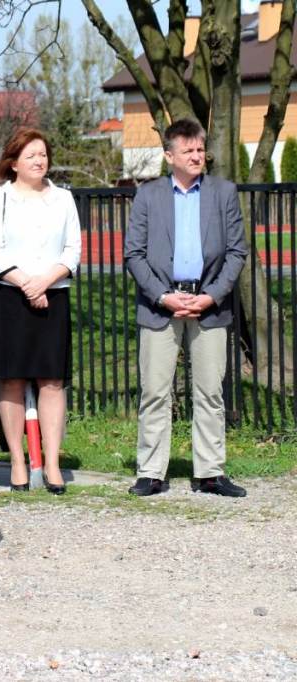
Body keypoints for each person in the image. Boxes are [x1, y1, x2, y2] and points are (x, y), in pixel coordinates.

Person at [124, 118, 248, 498]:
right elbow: (134, 254)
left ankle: (210, 472)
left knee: (210, 392)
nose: (197, 156)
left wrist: (212, 295)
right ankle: (151, 472)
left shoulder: (223, 193)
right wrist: (163, 296)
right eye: (188, 150)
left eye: (200, 149)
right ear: (169, 156)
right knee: (155, 392)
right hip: (160, 306)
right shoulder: (148, 196)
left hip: (209, 305)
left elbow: (236, 252)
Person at [0, 129, 81, 495]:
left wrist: (44, 282)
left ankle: (52, 463)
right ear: (13, 163)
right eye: (31, 156)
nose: (39, 161)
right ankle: (18, 462)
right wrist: (27, 284)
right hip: (10, 295)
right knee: (11, 379)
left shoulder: (63, 198)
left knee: (51, 381)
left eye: (43, 154)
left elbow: (73, 249)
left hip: (53, 295)